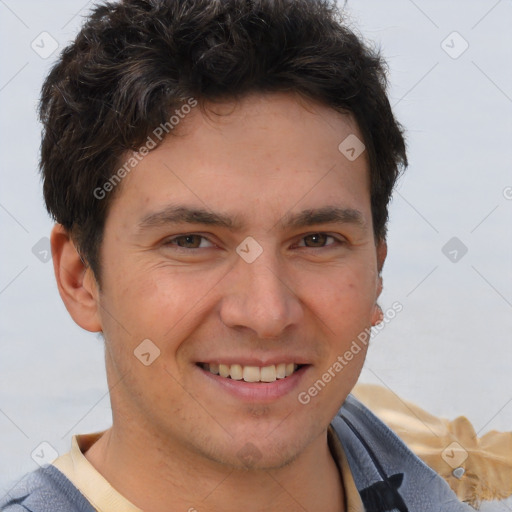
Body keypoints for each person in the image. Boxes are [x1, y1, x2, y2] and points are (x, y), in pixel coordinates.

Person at [1, 0, 510, 511]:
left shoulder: (420, 451)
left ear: (377, 269)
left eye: (316, 240)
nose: (267, 314)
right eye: (191, 241)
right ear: (80, 278)